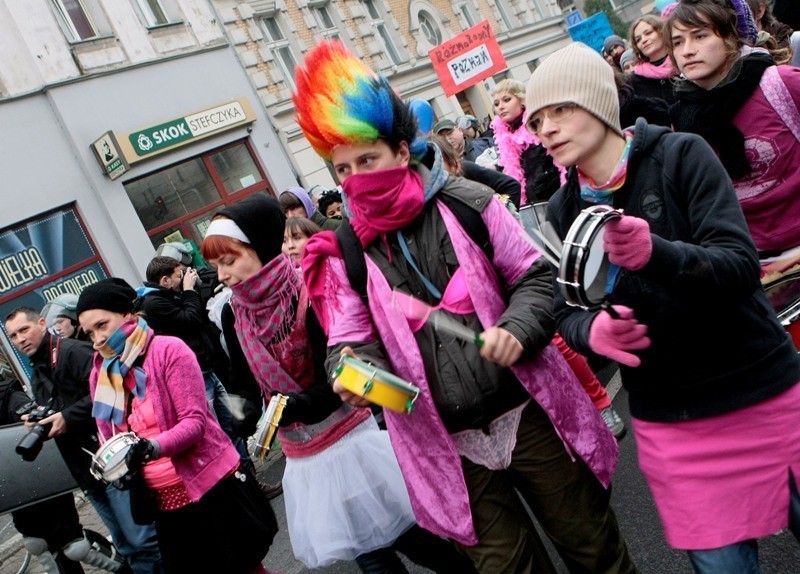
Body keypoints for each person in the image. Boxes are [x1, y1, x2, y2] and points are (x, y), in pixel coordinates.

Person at [296, 39, 635, 573]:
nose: (357, 178)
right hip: (446, 446)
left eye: (368, 159)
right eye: (343, 169)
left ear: (402, 153)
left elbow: (534, 276)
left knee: (595, 552)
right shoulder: (346, 251)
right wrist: (357, 376)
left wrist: (518, 328)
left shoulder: (467, 201)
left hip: (529, 412)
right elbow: (348, 341)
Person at [526, 40, 800, 574]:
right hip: (673, 423)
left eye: (560, 109)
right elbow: (564, 309)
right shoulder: (561, 210)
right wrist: (592, 333)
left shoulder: (681, 154)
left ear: (599, 104)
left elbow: (740, 266)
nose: (547, 129)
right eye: (537, 120)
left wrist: (658, 254)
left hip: (760, 391)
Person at [200, 194, 473, 573]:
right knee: (370, 550)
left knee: (411, 539)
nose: (223, 275)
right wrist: (239, 412)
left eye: (229, 261)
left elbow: (339, 376)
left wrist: (290, 407)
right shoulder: (234, 311)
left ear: (261, 247)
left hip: (349, 436)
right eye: (216, 266)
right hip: (305, 454)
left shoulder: (306, 289)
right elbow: (244, 382)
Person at [76, 278, 277, 574]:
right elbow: (110, 435)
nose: (97, 339)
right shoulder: (102, 373)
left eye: (102, 325)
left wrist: (151, 447)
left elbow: (195, 423)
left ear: (127, 313)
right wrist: (115, 464)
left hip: (212, 486)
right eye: (89, 332)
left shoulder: (168, 350)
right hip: (165, 501)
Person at [4, 308, 161, 574]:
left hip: (111, 462)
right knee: (125, 545)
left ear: (42, 324)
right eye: (13, 335)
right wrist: (38, 419)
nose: (20, 339)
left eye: (24, 330)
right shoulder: (38, 368)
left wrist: (67, 416)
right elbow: (57, 407)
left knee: (143, 540)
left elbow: (112, 389)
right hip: (86, 472)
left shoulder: (72, 352)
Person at [666, 0, 800, 271]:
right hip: (755, 268)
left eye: (700, 36)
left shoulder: (782, 84)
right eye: (677, 42)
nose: (688, 51)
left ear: (730, 37)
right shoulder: (680, 121)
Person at [137, 256, 249, 465]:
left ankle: (248, 472)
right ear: (165, 281)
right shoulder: (154, 303)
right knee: (214, 428)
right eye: (179, 274)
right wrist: (189, 291)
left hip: (207, 368)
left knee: (231, 424)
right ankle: (235, 474)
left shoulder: (170, 296)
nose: (185, 277)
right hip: (194, 377)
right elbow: (190, 320)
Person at [490, 79, 562, 205]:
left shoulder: (538, 124)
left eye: (506, 100)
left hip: (557, 198)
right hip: (535, 206)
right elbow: (514, 168)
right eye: (496, 104)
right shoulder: (505, 137)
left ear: (522, 100)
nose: (501, 106)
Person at [628, 14, 678, 104]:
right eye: (638, 39)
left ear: (662, 32)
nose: (644, 40)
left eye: (648, 33)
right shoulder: (635, 80)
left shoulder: (682, 62)